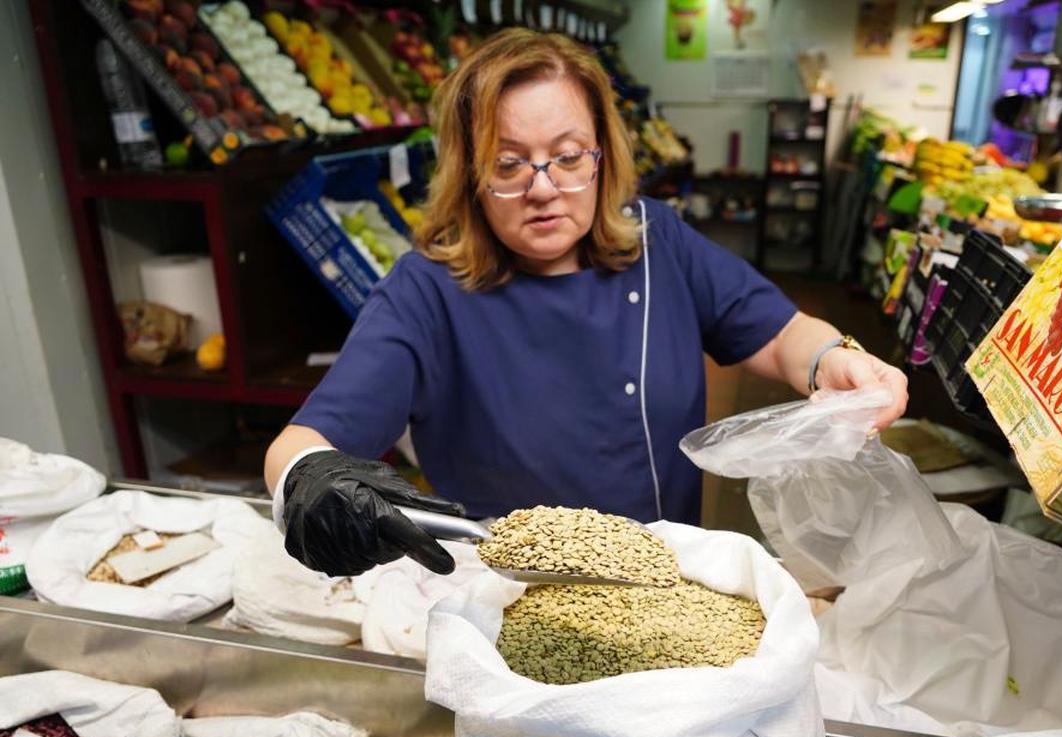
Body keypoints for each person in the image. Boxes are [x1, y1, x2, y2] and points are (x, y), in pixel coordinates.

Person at [265, 28, 908, 578]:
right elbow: (303, 441)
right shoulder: (426, 291)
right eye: (509, 164)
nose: (544, 188)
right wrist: (307, 480)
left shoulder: (660, 246)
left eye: (567, 156)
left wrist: (830, 359)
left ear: (602, 155)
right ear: (470, 172)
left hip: (664, 585)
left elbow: (776, 333)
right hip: (507, 598)